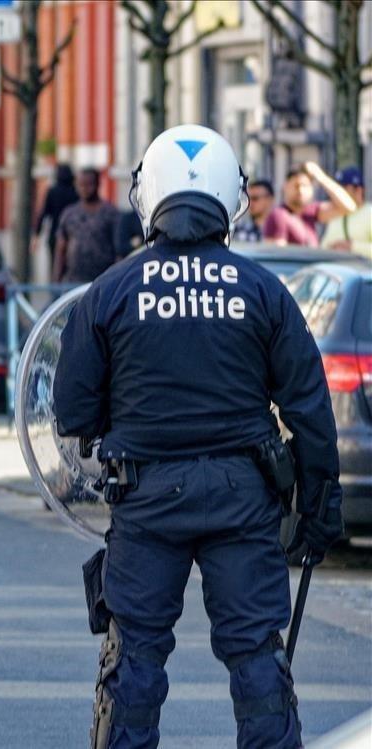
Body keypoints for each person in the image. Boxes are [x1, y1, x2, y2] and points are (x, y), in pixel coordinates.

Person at [54, 125, 342, 749]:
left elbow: (72, 411)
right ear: (228, 197)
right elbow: (311, 410)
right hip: (244, 495)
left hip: (147, 495)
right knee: (258, 661)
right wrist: (321, 506)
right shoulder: (263, 290)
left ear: (148, 194)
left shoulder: (110, 292)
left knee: (133, 661)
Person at [262, 161, 356, 247]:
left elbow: (349, 207)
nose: (300, 190)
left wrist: (320, 176)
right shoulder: (279, 216)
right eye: (296, 185)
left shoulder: (310, 212)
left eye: (305, 186)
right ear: (285, 186)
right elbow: (277, 256)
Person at [53, 167, 120, 283]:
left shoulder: (111, 213)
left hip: (103, 281)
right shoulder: (69, 214)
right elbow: (60, 250)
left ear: (98, 184)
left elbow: (119, 250)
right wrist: (56, 282)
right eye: (81, 185)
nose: (85, 189)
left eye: (89, 184)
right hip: (73, 283)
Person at [320, 166, 371, 256]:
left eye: (343, 189)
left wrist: (353, 247)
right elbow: (323, 246)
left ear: (358, 190)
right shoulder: (335, 214)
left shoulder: (369, 213)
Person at [34, 164, 79, 259]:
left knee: (55, 263)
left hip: (55, 234)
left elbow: (43, 214)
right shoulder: (76, 193)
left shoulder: (52, 192)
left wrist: (36, 235)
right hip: (73, 235)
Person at [232, 179, 274, 243]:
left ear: (269, 200)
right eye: (248, 199)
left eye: (255, 198)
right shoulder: (238, 230)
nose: (250, 203)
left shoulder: (280, 230)